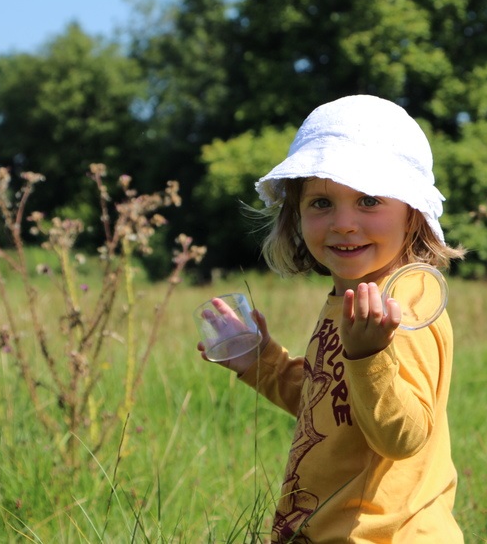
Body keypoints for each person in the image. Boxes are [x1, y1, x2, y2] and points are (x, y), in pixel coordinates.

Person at [197, 94, 465, 543]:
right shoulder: (349, 298)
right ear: (296, 215)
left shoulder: (403, 307)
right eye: (321, 203)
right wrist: (261, 361)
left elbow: (403, 438)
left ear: (412, 213)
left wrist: (369, 356)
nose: (343, 223)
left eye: (368, 200)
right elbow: (329, 407)